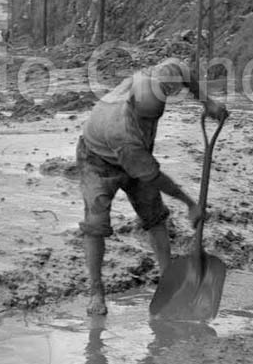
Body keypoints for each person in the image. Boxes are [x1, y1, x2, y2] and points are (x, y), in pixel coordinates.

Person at [76, 58, 228, 316]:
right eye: (144, 120)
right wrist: (190, 203)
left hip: (137, 157)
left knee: (155, 217)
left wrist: (207, 102)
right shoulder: (122, 133)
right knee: (96, 225)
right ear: (133, 106)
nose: (148, 126)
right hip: (97, 161)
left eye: (152, 120)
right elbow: (153, 176)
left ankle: (169, 279)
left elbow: (181, 70)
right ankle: (96, 292)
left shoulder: (154, 78)